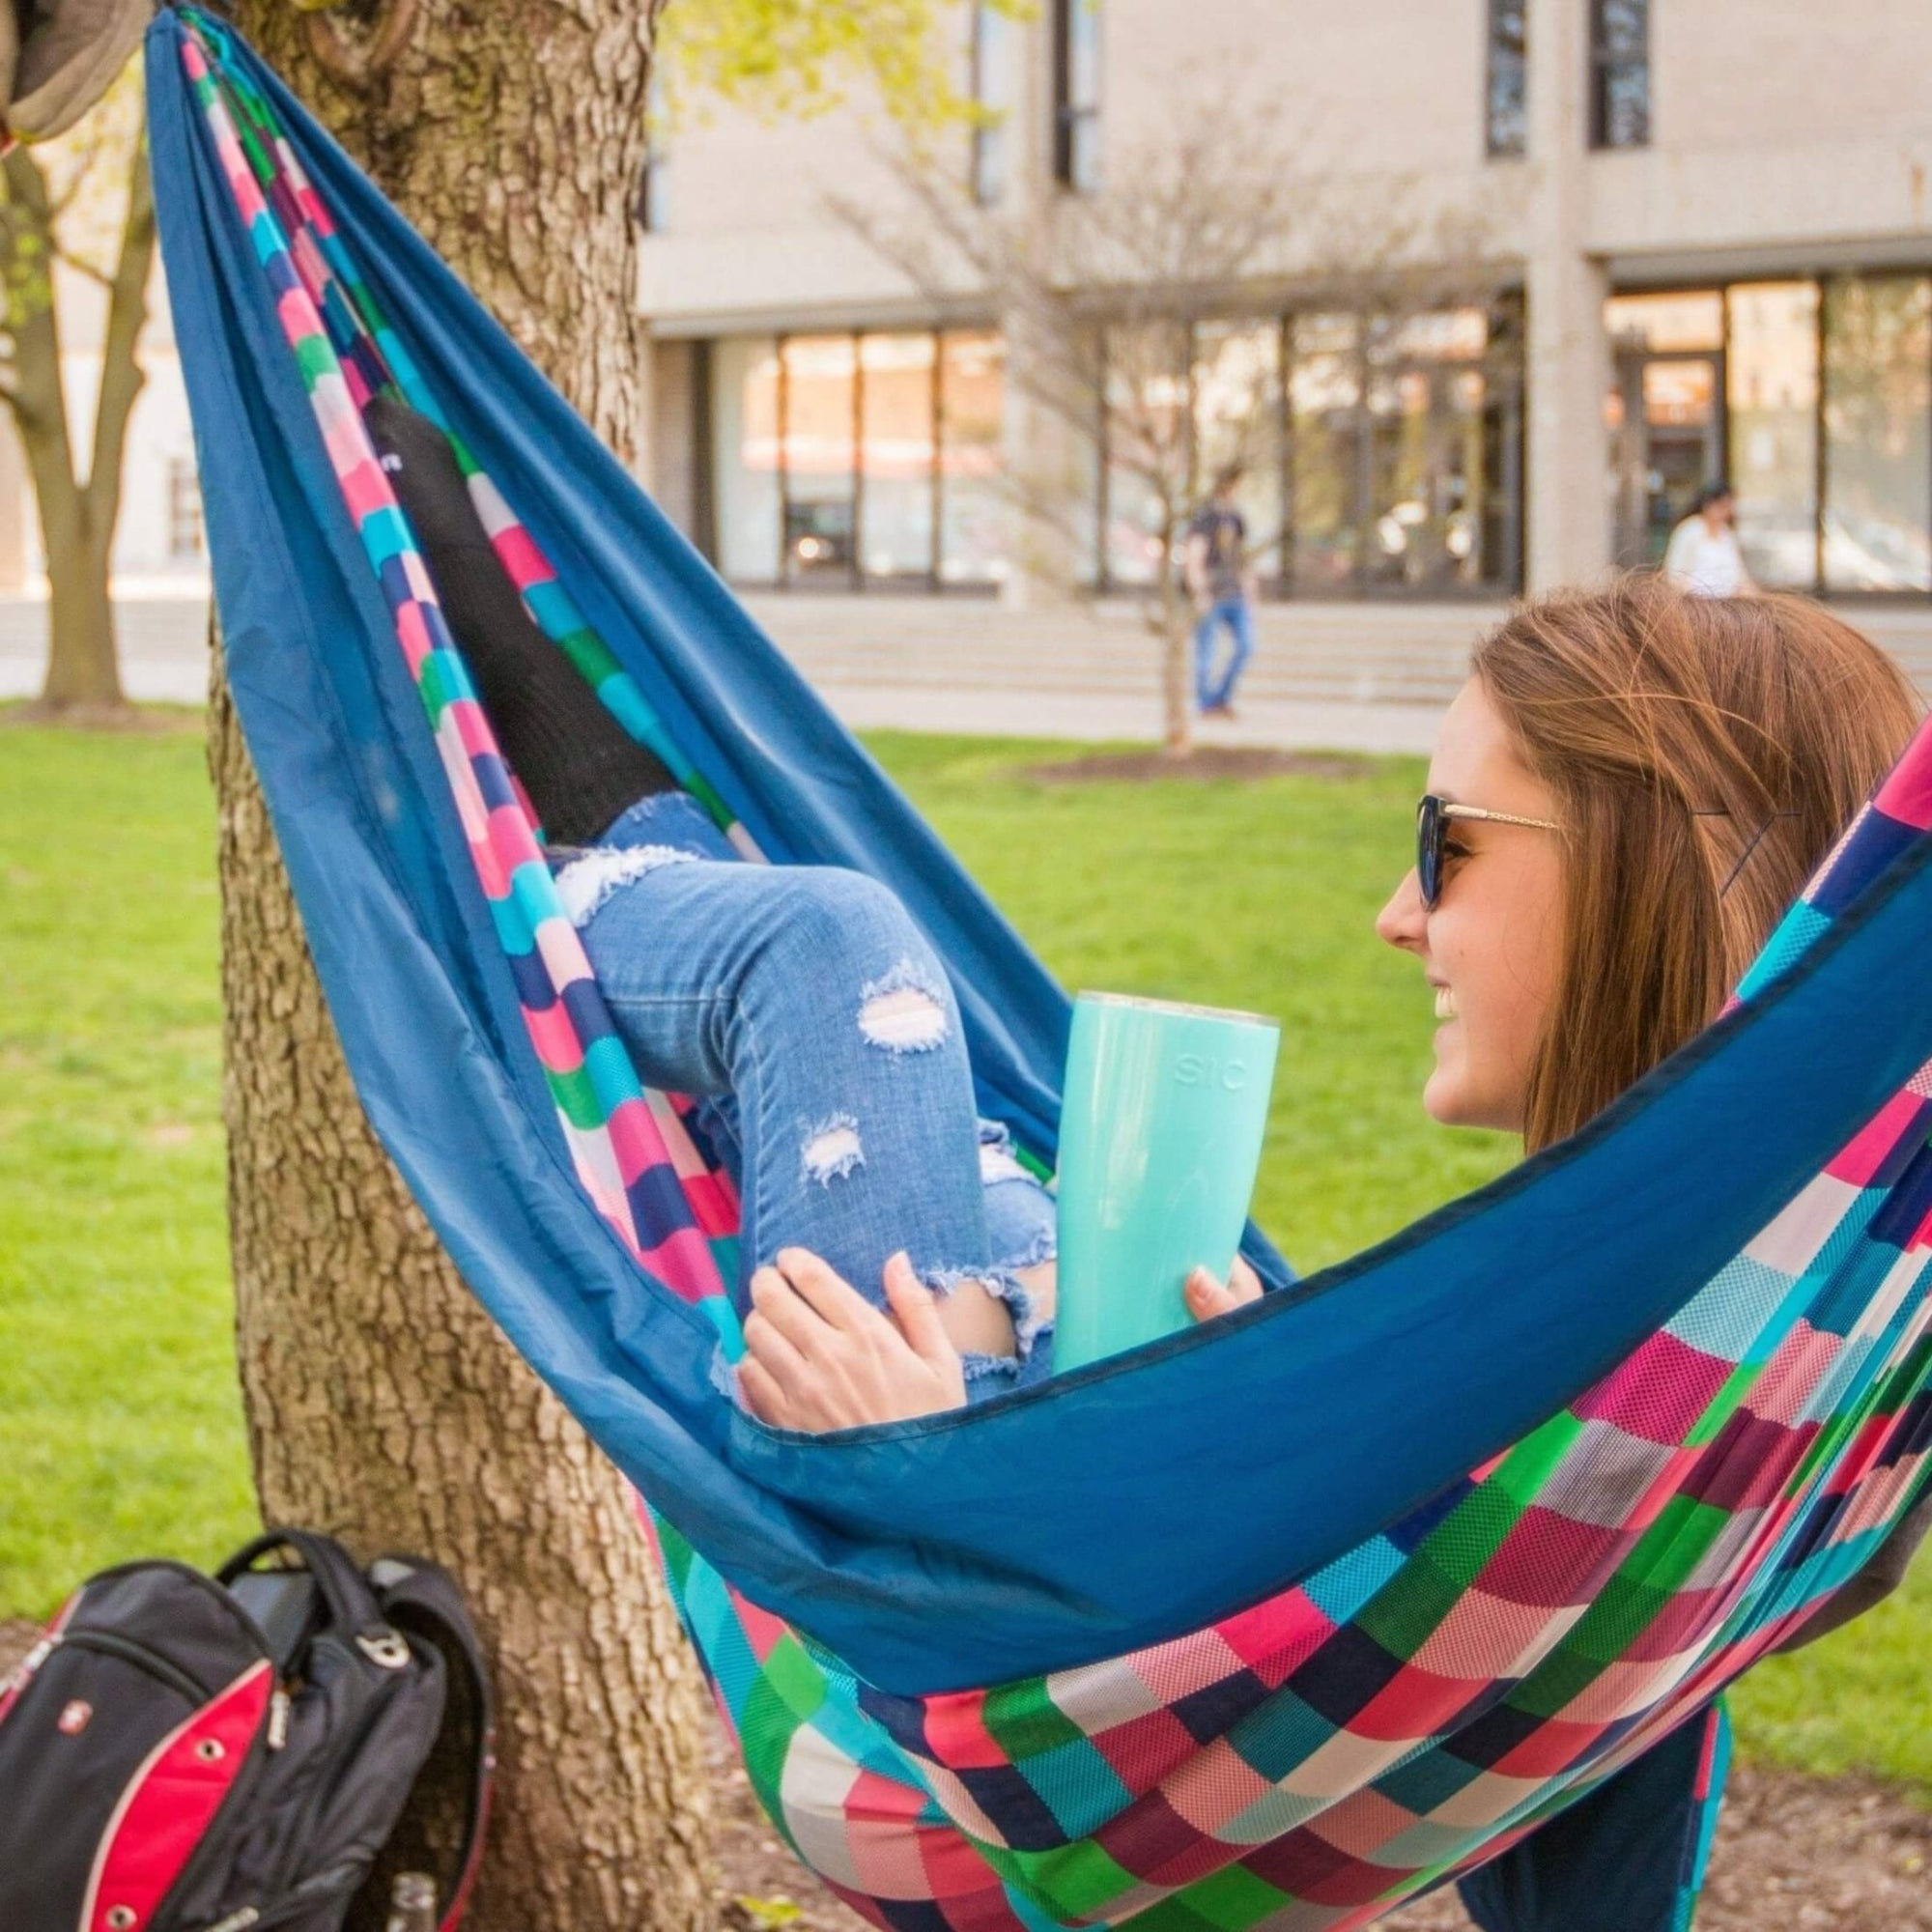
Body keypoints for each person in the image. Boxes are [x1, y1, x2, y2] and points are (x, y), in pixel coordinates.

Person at [1184, 468, 1258, 720]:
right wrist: (1200, 592)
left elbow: (1241, 556)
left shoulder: (1236, 519)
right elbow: (1194, 556)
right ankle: (1206, 703)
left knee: (1247, 645)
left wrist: (1249, 590)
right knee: (1207, 652)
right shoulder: (1206, 517)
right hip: (1212, 593)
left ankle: (1221, 697)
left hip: (1234, 593)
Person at [1662, 482, 1756, 597]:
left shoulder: (1726, 534)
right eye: (1721, 505)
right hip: (1695, 602)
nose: (1724, 511)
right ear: (1708, 504)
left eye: (1728, 506)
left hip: (1728, 602)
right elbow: (1674, 573)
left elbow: (1740, 573)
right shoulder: (1689, 530)